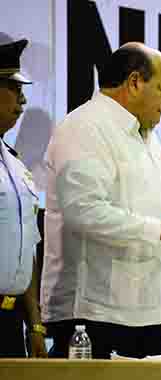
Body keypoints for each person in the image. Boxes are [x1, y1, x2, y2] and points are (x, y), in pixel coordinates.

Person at [42, 42, 161, 359]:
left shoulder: (150, 140)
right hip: (95, 317)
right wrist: (160, 230)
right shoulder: (84, 128)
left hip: (150, 315)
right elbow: (84, 212)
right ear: (134, 82)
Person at [0, 38, 47, 358]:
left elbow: (25, 249)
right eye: (14, 89)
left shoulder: (16, 168)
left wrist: (36, 326)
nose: (23, 100)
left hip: (10, 319)